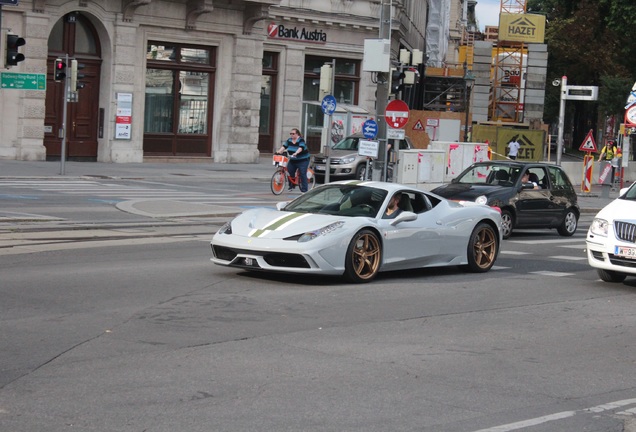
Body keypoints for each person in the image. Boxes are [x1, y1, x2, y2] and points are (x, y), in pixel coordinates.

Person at [276, 128, 310, 192]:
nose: (291, 135)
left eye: (293, 134)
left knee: (302, 173)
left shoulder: (301, 140)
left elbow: (301, 148)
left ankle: (304, 190)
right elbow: (284, 146)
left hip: (303, 160)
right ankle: (291, 185)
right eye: (290, 134)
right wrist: (279, 152)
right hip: (293, 159)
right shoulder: (289, 140)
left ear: (297, 134)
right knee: (289, 171)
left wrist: (296, 153)